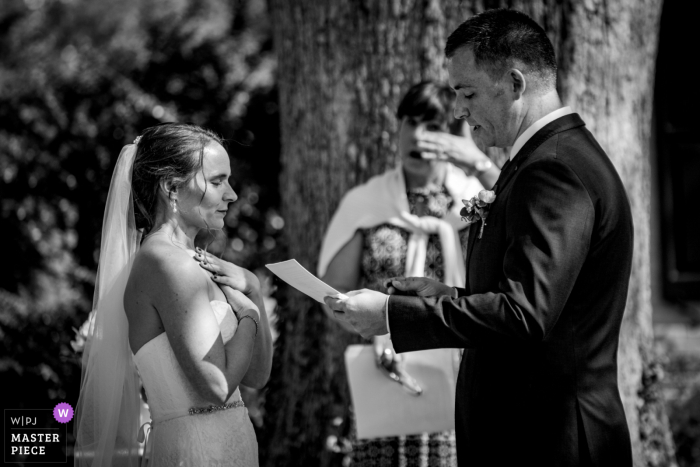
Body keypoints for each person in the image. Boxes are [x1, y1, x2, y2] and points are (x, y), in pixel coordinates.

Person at [325, 9, 634, 467]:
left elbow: (524, 315)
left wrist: (395, 315)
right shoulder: (543, 159)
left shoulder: (552, 170)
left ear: (514, 83)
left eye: (466, 92)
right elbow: (537, 301)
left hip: (546, 440)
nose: (458, 110)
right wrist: (452, 294)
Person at [318, 81, 499, 466]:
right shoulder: (366, 202)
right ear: (397, 128)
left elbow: (522, 225)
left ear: (454, 134)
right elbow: (334, 293)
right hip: (384, 372)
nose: (419, 136)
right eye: (411, 122)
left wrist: (479, 165)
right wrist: (371, 328)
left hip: (463, 373)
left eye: (432, 124)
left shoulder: (480, 199)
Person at [73, 123, 273, 467]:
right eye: (217, 181)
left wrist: (252, 286)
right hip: (198, 453)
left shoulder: (195, 262)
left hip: (234, 446)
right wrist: (250, 316)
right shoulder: (164, 262)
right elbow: (217, 384)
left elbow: (256, 376)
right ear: (171, 188)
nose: (232, 195)